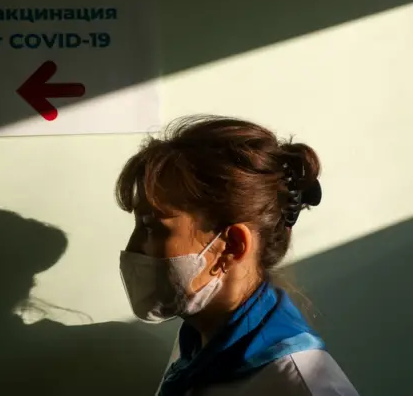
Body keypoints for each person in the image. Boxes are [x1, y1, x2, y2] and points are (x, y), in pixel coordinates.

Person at [116, 115, 359, 396]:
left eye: (151, 227)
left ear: (231, 246)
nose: (132, 249)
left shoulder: (303, 384)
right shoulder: (199, 344)